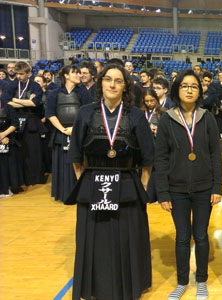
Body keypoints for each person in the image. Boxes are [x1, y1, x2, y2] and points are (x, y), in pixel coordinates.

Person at [66, 64, 154, 300]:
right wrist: (86, 185)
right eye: (108, 79)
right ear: (100, 83)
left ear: (126, 86)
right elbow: (75, 155)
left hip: (127, 186)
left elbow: (148, 158)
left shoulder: (136, 115)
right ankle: (96, 286)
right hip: (93, 186)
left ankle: (130, 286)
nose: (112, 85)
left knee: (127, 240)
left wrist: (142, 185)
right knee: (96, 240)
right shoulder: (85, 112)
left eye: (118, 80)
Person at [154, 69, 222, 300]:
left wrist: (217, 187)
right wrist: (162, 192)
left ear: (200, 90)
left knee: (201, 236)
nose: (190, 90)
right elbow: (161, 158)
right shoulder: (167, 119)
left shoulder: (208, 118)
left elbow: (215, 155)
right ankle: (182, 282)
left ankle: (201, 281)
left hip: (204, 188)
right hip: (176, 189)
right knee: (182, 237)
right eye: (184, 86)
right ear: (177, 90)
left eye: (194, 86)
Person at [46, 65, 92, 202]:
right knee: (62, 163)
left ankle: (81, 194)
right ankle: (63, 194)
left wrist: (74, 129)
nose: (79, 75)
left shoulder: (83, 92)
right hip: (60, 134)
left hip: (78, 133)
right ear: (66, 75)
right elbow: (50, 114)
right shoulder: (54, 93)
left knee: (78, 163)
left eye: (80, 73)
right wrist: (62, 130)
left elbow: (87, 113)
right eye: (75, 73)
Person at [1, 61, 46, 186]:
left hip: (31, 120)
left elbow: (35, 103)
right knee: (21, 153)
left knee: (33, 151)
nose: (19, 77)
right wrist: (25, 101)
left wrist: (15, 100)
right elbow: (6, 101)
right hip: (16, 118)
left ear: (28, 73)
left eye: (21, 74)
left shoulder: (35, 86)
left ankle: (35, 178)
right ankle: (23, 179)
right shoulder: (12, 85)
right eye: (17, 74)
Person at [0, 95, 23, 197]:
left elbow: (15, 123)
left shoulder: (8, 107)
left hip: (8, 139)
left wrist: (4, 135)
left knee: (8, 165)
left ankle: (8, 187)